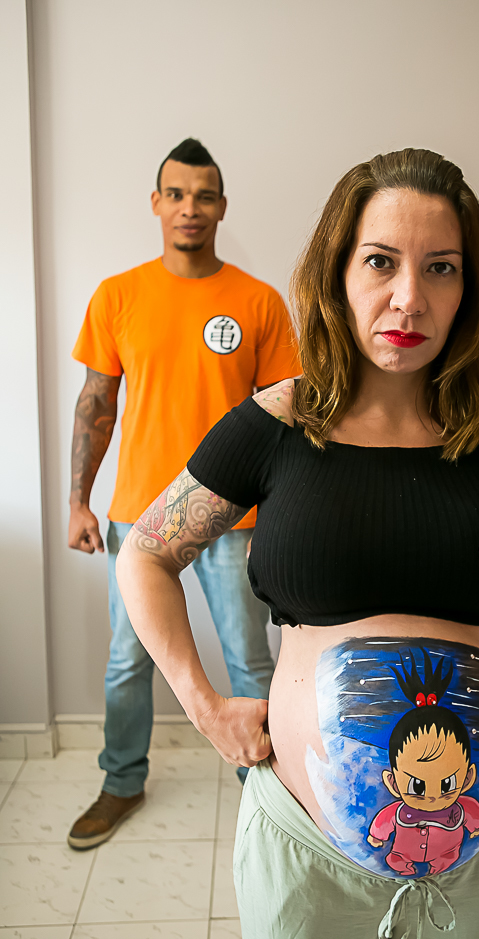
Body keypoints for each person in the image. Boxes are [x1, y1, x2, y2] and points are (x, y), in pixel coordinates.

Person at [116, 149, 479, 939]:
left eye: (440, 268)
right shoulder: (275, 425)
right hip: (305, 853)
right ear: (337, 273)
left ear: (468, 288)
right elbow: (146, 552)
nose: (408, 298)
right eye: (381, 262)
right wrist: (202, 705)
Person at [66, 138, 301, 851]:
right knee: (127, 661)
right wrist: (78, 500)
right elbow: (96, 404)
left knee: (249, 661)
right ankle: (121, 781)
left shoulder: (258, 302)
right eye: (176, 194)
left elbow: (288, 420)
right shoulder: (118, 295)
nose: (189, 208)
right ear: (156, 203)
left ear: (221, 207)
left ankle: (271, 793)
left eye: (203, 196)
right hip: (139, 517)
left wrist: (281, 517)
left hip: (233, 518)